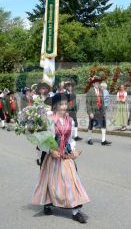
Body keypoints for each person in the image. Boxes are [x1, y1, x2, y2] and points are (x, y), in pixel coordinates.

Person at [32, 93, 90, 224]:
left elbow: (70, 139)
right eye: (61, 104)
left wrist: (73, 149)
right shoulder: (49, 120)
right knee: (49, 180)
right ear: (55, 106)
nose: (64, 107)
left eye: (65, 104)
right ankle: (47, 203)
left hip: (65, 155)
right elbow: (41, 139)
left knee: (71, 180)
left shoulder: (70, 120)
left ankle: (76, 211)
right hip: (51, 156)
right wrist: (51, 150)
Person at [86, 76, 112, 146]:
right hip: (93, 111)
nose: (97, 83)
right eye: (96, 82)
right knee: (91, 124)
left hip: (100, 110)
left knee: (103, 124)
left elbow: (102, 102)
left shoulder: (101, 91)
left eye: (98, 82)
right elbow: (88, 103)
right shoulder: (90, 91)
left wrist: (103, 111)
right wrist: (90, 112)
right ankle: (89, 139)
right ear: (93, 84)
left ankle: (103, 140)